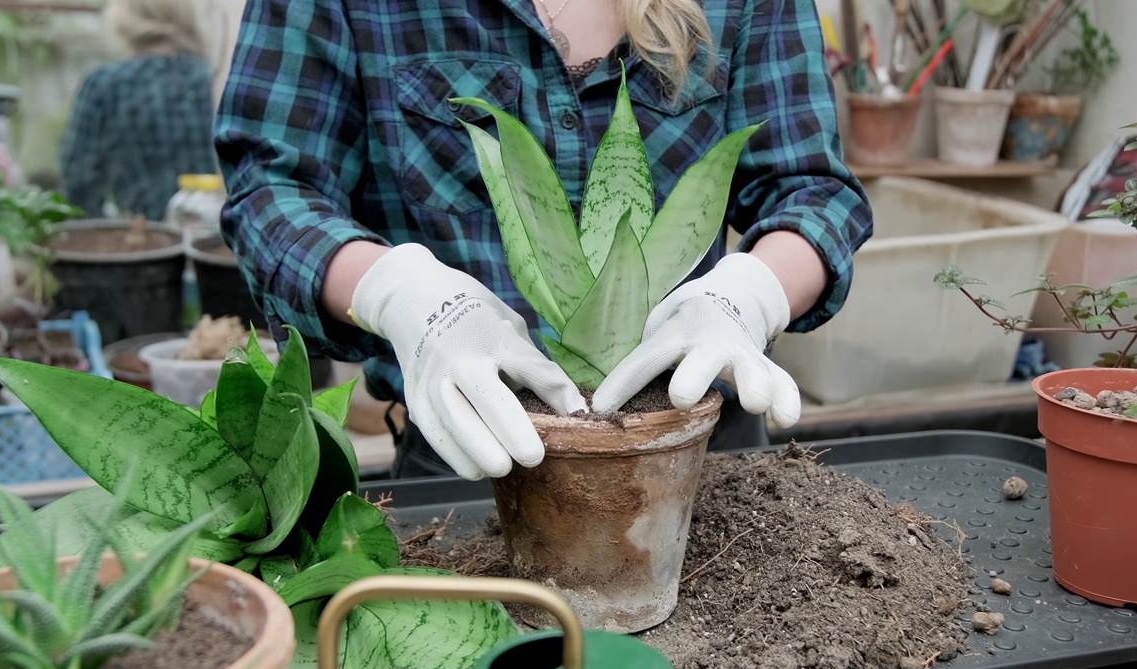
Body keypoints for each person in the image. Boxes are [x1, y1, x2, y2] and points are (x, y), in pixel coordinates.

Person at [214, 0, 873, 480]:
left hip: (697, 449)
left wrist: (748, 295)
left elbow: (809, 187)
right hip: (469, 454)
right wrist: (398, 291)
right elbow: (271, 188)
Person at [59, 0, 219, 220]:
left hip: (141, 245)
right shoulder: (216, 80)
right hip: (214, 244)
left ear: (123, 18)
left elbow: (78, 188)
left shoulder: (106, 85)